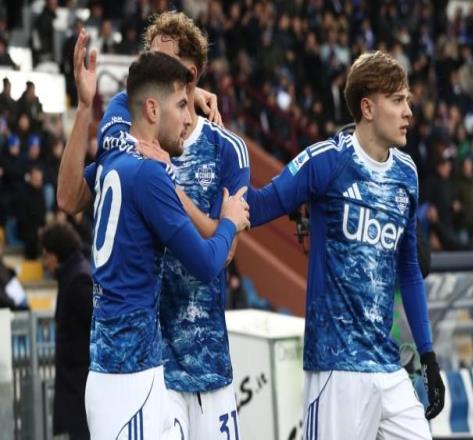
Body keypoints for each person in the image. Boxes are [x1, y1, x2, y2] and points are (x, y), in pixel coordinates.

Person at [59, 13, 250, 439]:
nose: (149, 65)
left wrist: (175, 189)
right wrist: (223, 219)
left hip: (197, 358)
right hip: (143, 365)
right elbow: (71, 198)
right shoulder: (132, 142)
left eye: (164, 62)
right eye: (149, 58)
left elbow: (227, 254)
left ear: (190, 75)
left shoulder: (222, 147)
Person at [247, 51, 445, 439]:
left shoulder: (407, 173)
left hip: (387, 365)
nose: (408, 111)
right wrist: (223, 153)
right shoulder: (326, 161)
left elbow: (409, 269)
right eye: (398, 100)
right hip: (335, 368)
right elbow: (259, 206)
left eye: (407, 100)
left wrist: (428, 355)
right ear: (367, 108)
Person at [40, 221, 92, 440]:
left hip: (81, 386)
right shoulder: (72, 275)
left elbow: (94, 329)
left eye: (46, 256)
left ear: (57, 253)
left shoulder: (78, 280)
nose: (45, 263)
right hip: (76, 385)